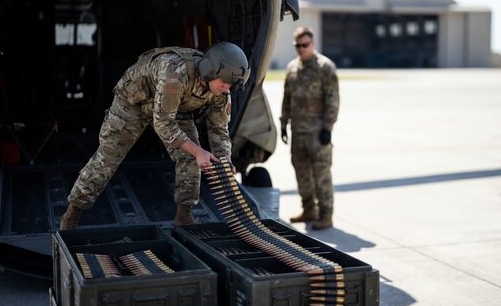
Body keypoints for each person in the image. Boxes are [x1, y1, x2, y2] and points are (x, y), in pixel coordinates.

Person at [60, 42, 250, 230]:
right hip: (134, 103)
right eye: (224, 83)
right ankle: (73, 214)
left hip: (173, 109)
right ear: (210, 70)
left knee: (191, 157)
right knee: (108, 157)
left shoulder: (221, 91)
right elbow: (163, 123)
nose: (227, 88)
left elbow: (219, 128)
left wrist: (225, 160)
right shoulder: (176, 73)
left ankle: (184, 216)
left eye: (230, 85)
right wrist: (199, 150)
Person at [280, 26, 339, 230]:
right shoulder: (292, 68)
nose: (301, 49)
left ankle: (326, 214)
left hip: (317, 133)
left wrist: (327, 128)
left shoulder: (325, 68)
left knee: (321, 174)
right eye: (298, 45)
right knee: (302, 173)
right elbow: (287, 99)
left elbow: (333, 101)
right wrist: (283, 124)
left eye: (305, 45)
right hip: (298, 132)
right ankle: (309, 209)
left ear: (312, 44)